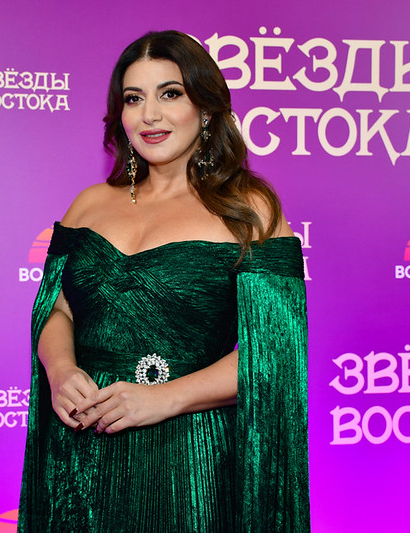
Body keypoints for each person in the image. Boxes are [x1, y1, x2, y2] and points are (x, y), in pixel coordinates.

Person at [18, 30, 309, 532]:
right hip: (80, 449)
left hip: (189, 458)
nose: (149, 114)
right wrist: (62, 371)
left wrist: (161, 399)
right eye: (134, 98)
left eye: (170, 93)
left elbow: (274, 354)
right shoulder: (88, 205)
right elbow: (57, 310)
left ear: (206, 108)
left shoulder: (250, 211)